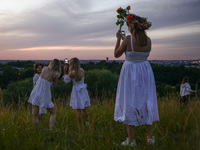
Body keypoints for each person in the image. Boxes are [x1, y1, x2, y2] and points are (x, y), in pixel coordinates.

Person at [114, 11, 159, 146]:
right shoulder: (148, 40)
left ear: (132, 27)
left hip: (130, 73)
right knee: (147, 101)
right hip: (145, 72)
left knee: (130, 101)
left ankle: (131, 140)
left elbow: (116, 54)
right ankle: (150, 137)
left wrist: (118, 39)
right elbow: (137, 52)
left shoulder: (128, 39)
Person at [28, 59, 61, 130]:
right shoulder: (56, 74)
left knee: (35, 115)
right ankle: (51, 129)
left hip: (36, 92)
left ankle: (37, 130)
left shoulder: (45, 69)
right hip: (45, 95)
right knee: (53, 113)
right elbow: (54, 85)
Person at [63, 57, 90, 127]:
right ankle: (87, 123)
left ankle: (80, 125)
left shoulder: (72, 73)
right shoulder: (81, 70)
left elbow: (66, 80)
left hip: (77, 91)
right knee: (84, 109)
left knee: (78, 110)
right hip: (83, 90)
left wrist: (65, 70)